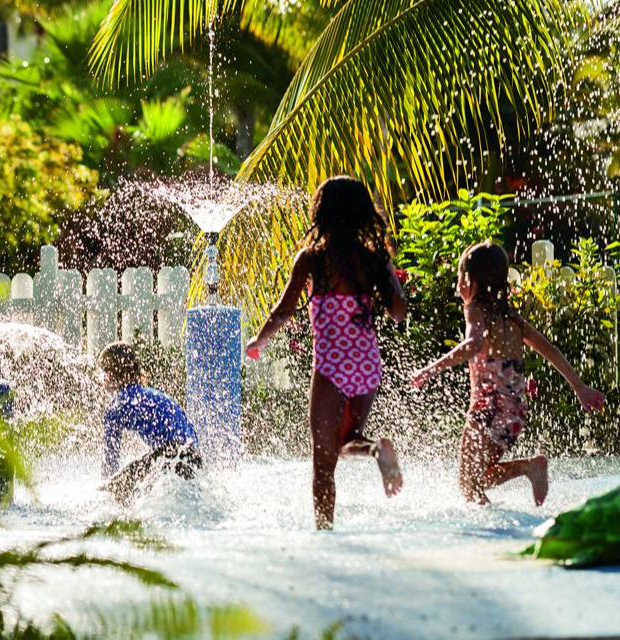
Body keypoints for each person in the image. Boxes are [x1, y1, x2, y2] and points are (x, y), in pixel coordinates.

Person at [245, 175, 407, 530]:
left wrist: (260, 340)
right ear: (363, 214)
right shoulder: (372, 260)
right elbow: (399, 312)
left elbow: (284, 311)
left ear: (321, 214)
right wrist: (387, 274)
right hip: (367, 364)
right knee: (347, 441)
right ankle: (376, 450)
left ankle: (325, 532)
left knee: (323, 463)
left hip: (332, 366)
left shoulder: (312, 260)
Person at [412, 241, 604, 505]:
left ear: (469, 280)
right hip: (514, 411)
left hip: (489, 408)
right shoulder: (512, 317)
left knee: (468, 485)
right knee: (475, 480)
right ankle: (527, 469)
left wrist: (432, 368)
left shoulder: (475, 309)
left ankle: (527, 469)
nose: (457, 286)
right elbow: (548, 349)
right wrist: (579, 387)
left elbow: (473, 343)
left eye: (459, 277)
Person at [98, 342, 202, 505]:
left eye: (105, 372)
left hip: (173, 452)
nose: (102, 379)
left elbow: (110, 460)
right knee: (138, 484)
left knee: (116, 486)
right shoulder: (152, 395)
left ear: (117, 375)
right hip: (193, 457)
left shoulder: (116, 406)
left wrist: (106, 490)